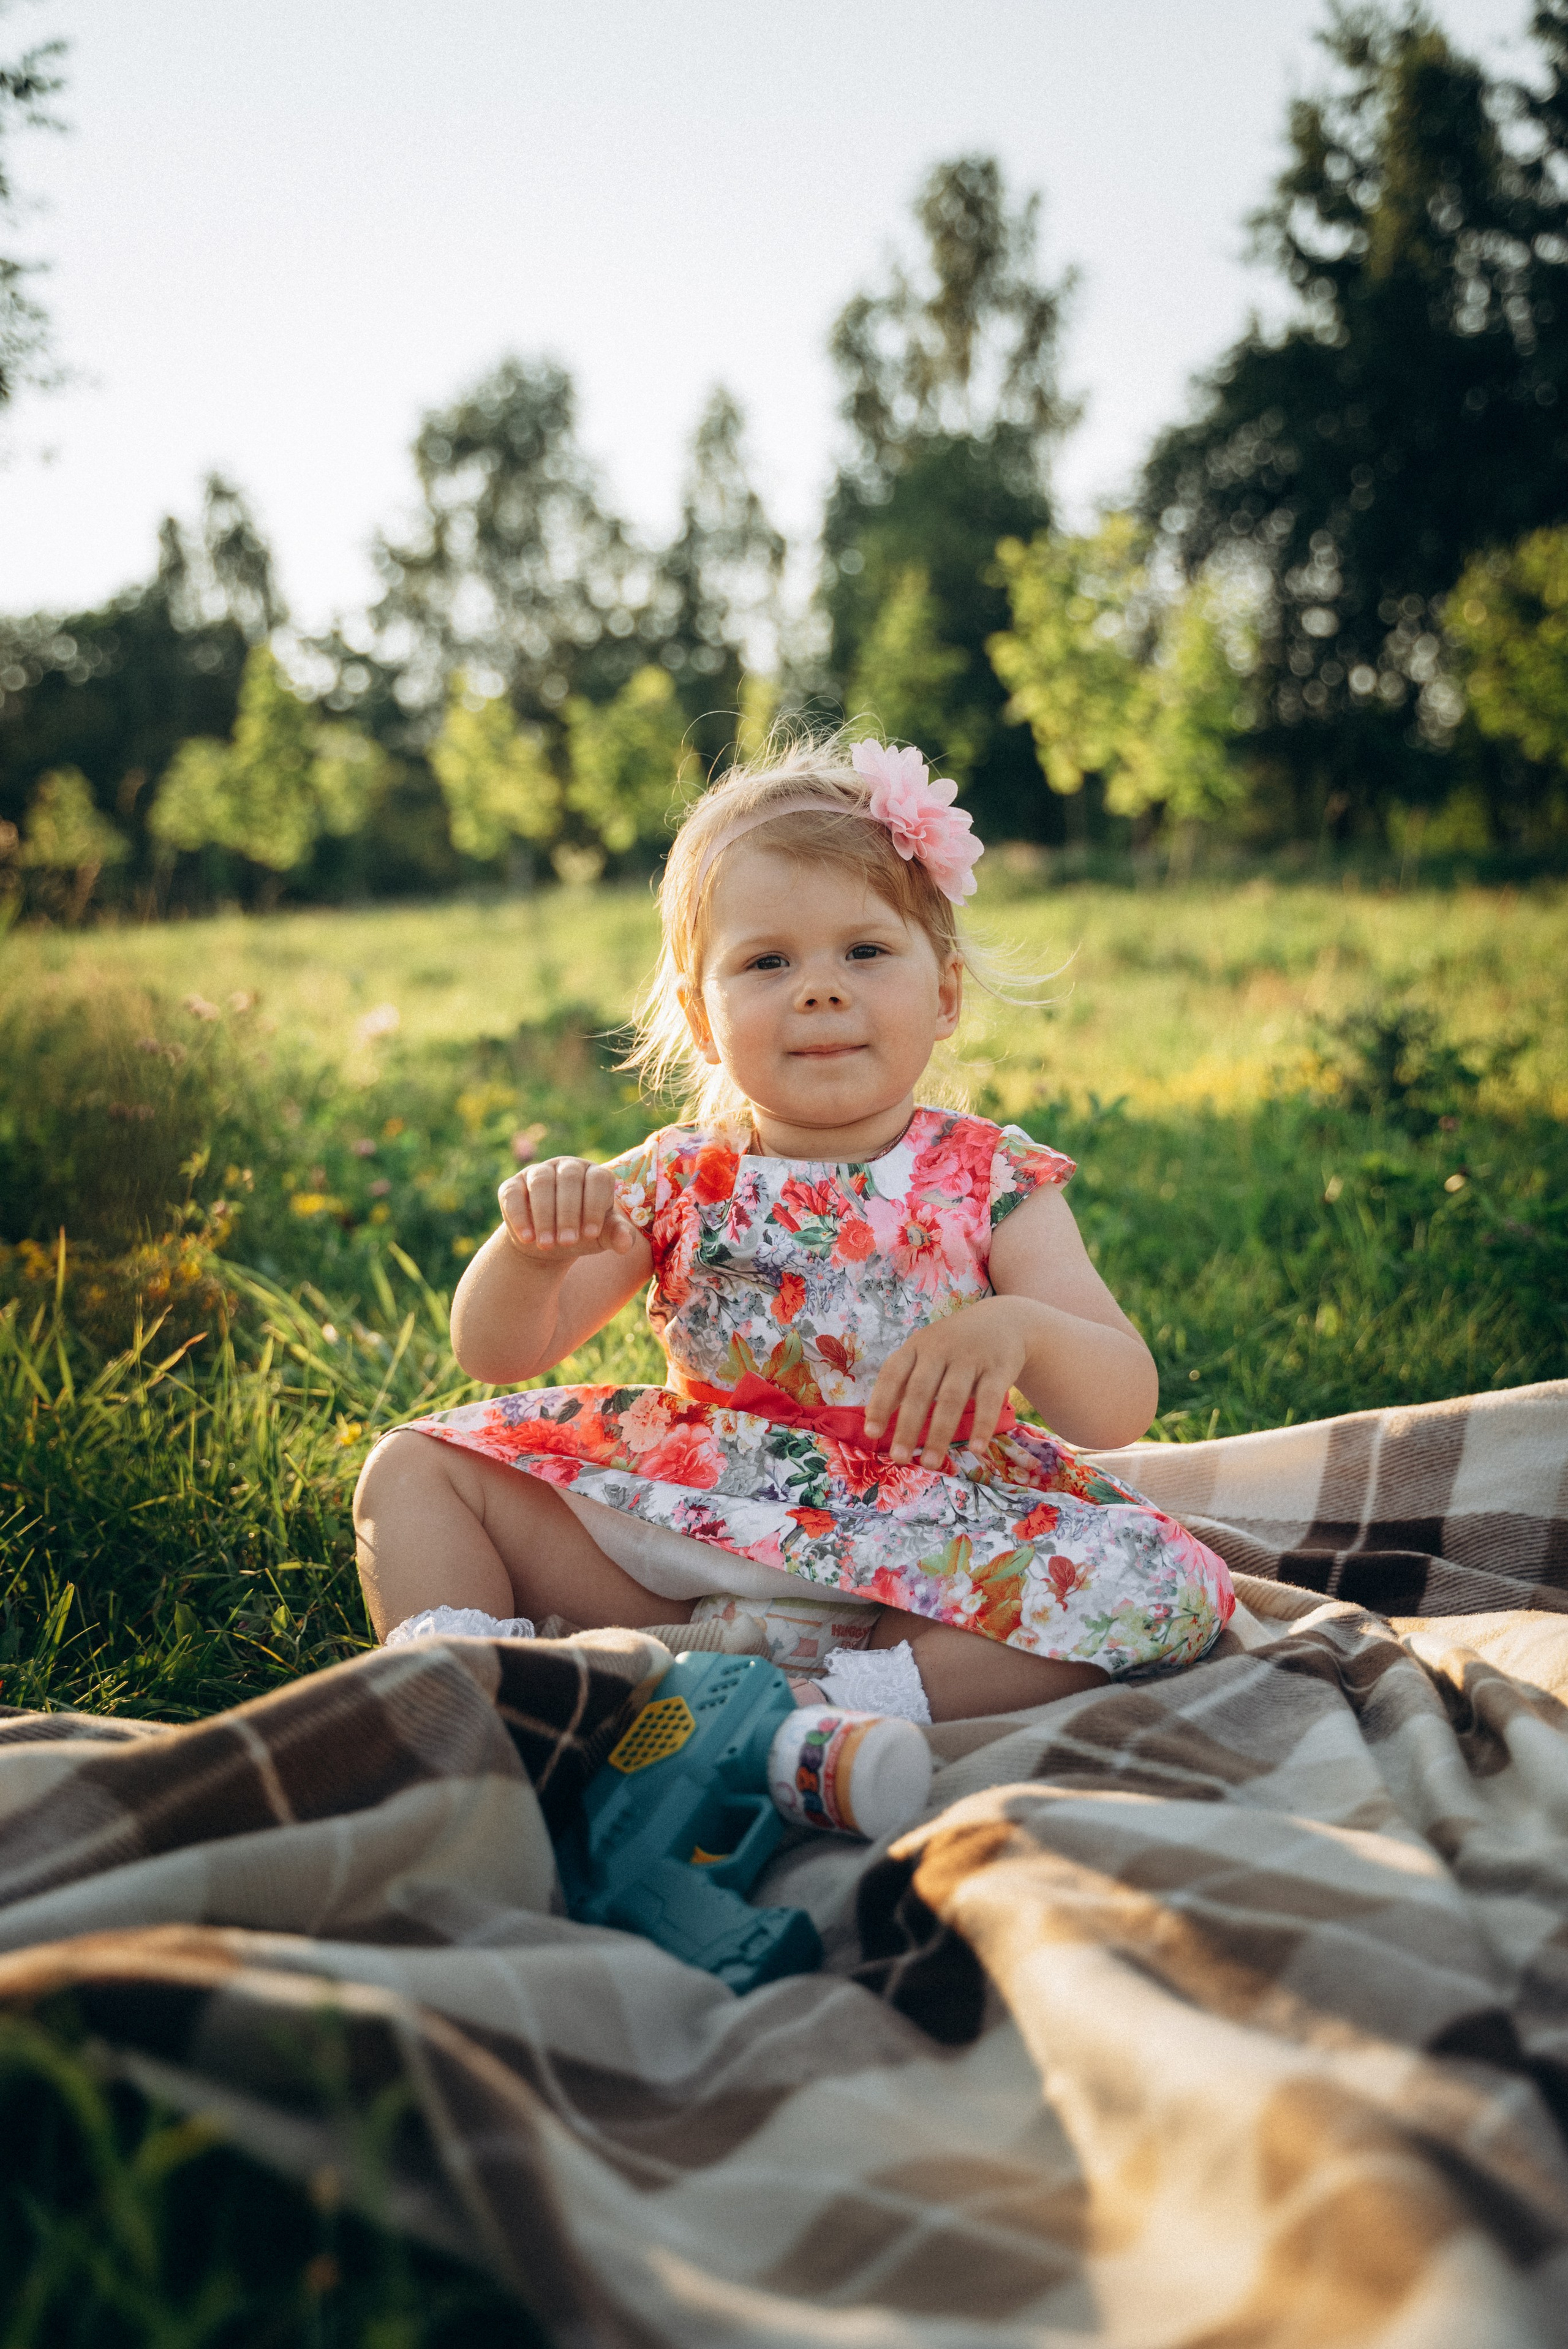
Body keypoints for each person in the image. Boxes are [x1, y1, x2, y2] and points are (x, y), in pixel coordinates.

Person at [353, 733, 1234, 1724]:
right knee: (415, 1469)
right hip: (697, 1523)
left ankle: (821, 1711)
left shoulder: (989, 1179)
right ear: (701, 1016)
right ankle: (474, 1698)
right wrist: (527, 1254)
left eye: (865, 951)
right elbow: (499, 1353)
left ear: (943, 993)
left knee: (1165, 1580)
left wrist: (1019, 1331)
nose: (821, 987)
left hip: (921, 1549)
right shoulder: (678, 1176)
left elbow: (1120, 1406)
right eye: (768, 960)